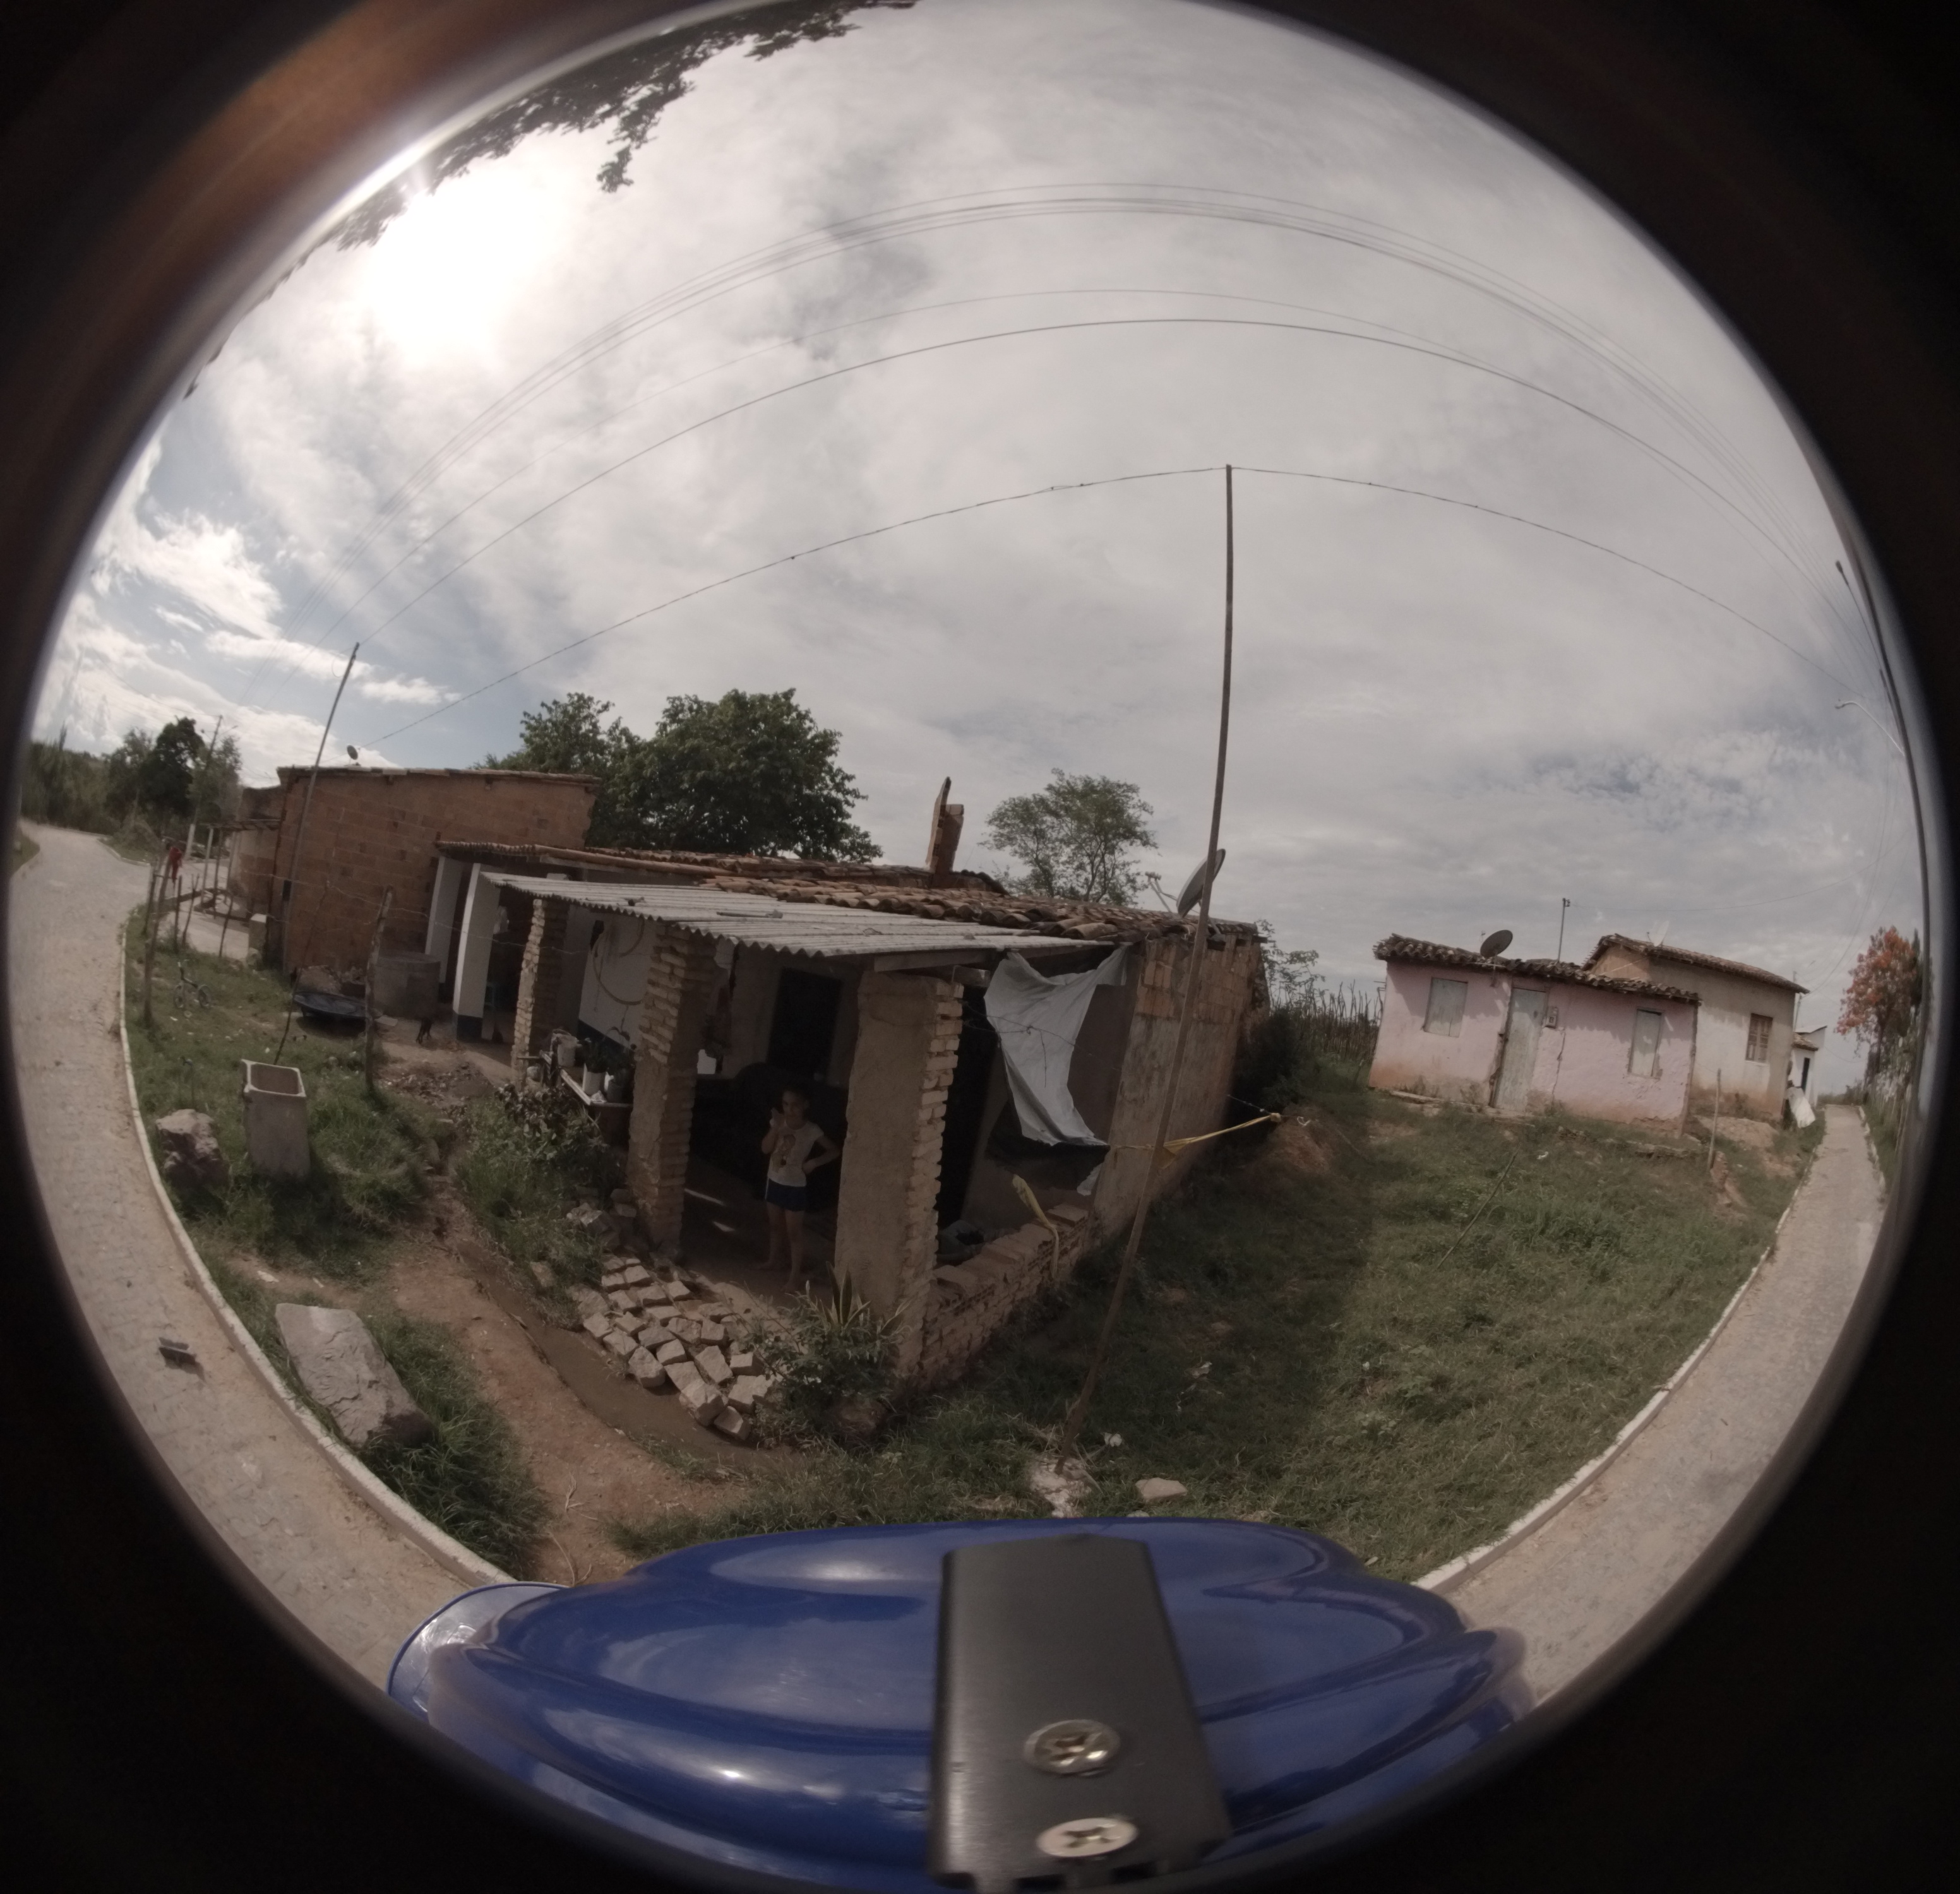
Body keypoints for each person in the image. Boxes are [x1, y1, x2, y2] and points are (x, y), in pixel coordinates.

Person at [760, 1087, 840, 1288]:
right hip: (774, 1181)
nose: (789, 1110)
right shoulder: (778, 1123)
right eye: (786, 1104)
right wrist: (776, 1128)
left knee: (794, 1233)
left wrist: (814, 1162)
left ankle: (794, 1277)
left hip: (795, 1187)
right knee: (775, 1226)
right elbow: (766, 1149)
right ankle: (773, 1261)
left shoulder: (812, 1130)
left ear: (805, 1105)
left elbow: (834, 1150)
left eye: (795, 1105)